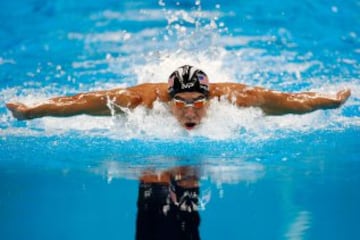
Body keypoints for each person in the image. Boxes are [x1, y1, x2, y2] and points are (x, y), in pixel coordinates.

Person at [6, 65, 351, 130]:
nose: (189, 112)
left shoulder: (232, 97)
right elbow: (81, 102)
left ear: (209, 98)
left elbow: (288, 101)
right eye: (181, 103)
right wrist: (33, 111)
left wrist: (328, 101)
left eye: (197, 102)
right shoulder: (139, 101)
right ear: (168, 101)